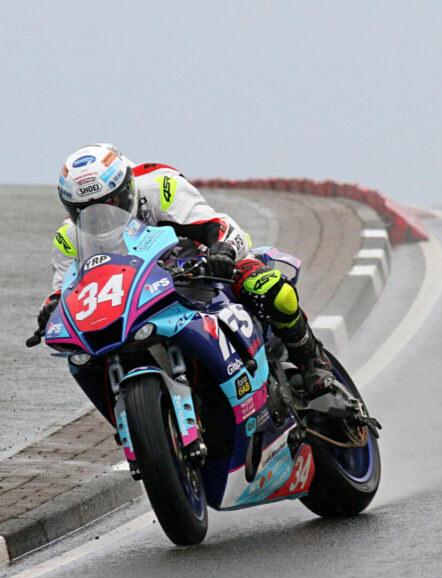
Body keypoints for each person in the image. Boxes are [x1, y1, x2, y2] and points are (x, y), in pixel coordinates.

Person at [37, 143, 334, 397]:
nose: (101, 216)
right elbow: (64, 288)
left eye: (110, 202)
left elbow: (215, 226)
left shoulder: (158, 186)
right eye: (85, 211)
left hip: (201, 266)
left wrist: (222, 251)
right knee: (85, 355)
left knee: (270, 290)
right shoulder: (68, 237)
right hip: (139, 301)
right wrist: (50, 308)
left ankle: (312, 359)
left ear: (125, 188)